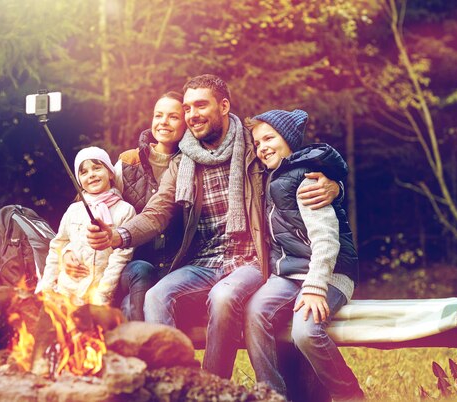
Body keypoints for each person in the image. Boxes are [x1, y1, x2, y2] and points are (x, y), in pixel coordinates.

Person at [86, 74, 340, 379]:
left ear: (223, 106)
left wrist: (334, 183)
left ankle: (212, 385)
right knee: (156, 295)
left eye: (201, 105)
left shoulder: (251, 145)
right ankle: (180, 382)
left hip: (253, 259)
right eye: (188, 108)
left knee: (222, 296)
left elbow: (297, 162)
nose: (193, 114)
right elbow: (157, 212)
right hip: (205, 261)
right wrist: (117, 235)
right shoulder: (183, 163)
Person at [243, 109, 364, 400]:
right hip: (289, 273)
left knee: (306, 332)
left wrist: (314, 287)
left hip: (329, 273)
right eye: (257, 143)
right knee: (254, 313)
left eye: (269, 138)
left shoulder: (308, 179)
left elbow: (325, 239)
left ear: (289, 139)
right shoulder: (272, 178)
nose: (262, 148)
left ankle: (350, 395)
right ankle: (272, 395)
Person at [113, 91, 186, 321]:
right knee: (128, 309)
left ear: (186, 123)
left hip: (175, 271)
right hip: (134, 271)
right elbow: (93, 208)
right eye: (158, 115)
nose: (163, 122)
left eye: (173, 117)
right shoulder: (127, 162)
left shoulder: (192, 166)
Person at [35, 146, 136, 306]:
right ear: (79, 181)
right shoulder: (74, 209)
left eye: (97, 168)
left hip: (98, 297)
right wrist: (47, 287)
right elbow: (58, 246)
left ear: (110, 173)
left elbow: (121, 257)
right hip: (66, 292)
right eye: (84, 172)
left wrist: (102, 295)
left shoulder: (125, 210)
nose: (92, 175)